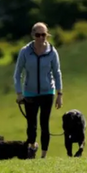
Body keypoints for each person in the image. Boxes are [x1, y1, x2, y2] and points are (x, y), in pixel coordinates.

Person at [13, 22, 63, 159]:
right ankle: (32, 148)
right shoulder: (25, 52)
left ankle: (44, 156)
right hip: (30, 93)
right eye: (38, 35)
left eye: (44, 35)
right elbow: (18, 73)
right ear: (33, 35)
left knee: (44, 124)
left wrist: (59, 94)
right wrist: (19, 93)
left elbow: (57, 73)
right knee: (31, 125)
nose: (41, 38)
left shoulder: (52, 52)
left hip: (48, 92)